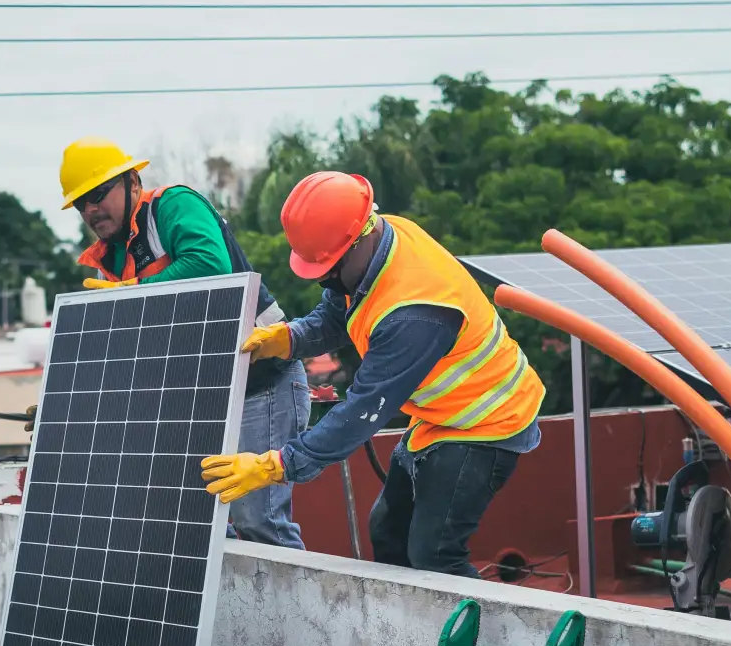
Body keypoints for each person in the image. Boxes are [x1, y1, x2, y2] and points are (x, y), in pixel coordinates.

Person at [202, 171, 544, 577]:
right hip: (443, 416)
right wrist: (290, 338)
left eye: (329, 268)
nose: (325, 279)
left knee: (435, 555)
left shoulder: (416, 314)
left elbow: (362, 411)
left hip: (488, 423)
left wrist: (275, 465)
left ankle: (476, 636)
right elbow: (339, 311)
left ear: (359, 239)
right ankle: (410, 634)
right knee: (388, 531)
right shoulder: (379, 240)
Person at [57, 138, 310, 549]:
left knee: (257, 520)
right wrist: (69, 402)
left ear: (133, 183)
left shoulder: (172, 206)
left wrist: (132, 291)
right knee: (202, 525)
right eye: (81, 203)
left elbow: (211, 265)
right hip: (200, 398)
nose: (90, 210)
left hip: (262, 383)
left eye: (98, 195)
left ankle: (299, 615)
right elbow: (126, 347)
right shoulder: (111, 262)